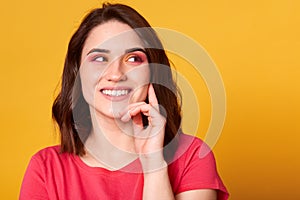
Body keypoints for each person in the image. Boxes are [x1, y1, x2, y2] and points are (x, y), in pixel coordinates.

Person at [20, 3, 229, 200]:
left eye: (133, 59)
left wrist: (154, 165)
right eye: (99, 59)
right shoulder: (45, 168)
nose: (116, 74)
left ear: (153, 73)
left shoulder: (192, 156)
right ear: (78, 74)